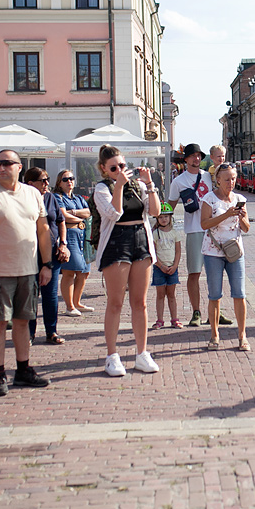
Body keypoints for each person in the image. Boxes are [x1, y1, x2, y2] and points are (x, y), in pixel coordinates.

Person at [0, 150, 52, 396]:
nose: (1, 168)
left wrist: (46, 264)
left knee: (23, 321)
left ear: (19, 167)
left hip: (28, 270)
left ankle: (23, 370)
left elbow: (43, 229)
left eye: (7, 163)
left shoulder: (33, 194)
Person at [94, 145, 161, 376]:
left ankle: (142, 353)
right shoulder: (102, 188)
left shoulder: (139, 185)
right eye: (113, 168)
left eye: (122, 166)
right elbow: (114, 213)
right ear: (104, 169)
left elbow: (155, 212)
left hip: (140, 239)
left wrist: (150, 184)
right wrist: (119, 186)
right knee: (115, 302)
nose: (119, 170)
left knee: (140, 302)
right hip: (117, 242)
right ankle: (112, 355)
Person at [168, 143, 232, 327]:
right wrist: (163, 224)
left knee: (216, 273)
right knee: (194, 272)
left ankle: (216, 313)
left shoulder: (209, 176)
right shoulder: (178, 181)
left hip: (213, 229)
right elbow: (170, 207)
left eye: (198, 156)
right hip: (194, 230)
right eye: (193, 156)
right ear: (186, 159)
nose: (196, 159)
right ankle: (196, 312)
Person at [199, 163, 251, 350]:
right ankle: (214, 335)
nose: (231, 182)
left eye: (233, 178)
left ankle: (242, 336)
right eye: (227, 179)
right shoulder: (209, 199)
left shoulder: (239, 198)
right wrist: (226, 215)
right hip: (213, 252)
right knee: (215, 295)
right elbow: (204, 224)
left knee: (240, 293)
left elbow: (246, 228)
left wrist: (242, 217)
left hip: (235, 251)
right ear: (218, 180)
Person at [24, 167, 69, 345]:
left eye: (47, 179)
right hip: (29, 253)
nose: (46, 183)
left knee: (50, 295)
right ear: (30, 184)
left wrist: (63, 243)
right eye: (42, 180)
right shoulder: (24, 199)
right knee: (30, 294)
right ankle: (29, 333)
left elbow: (60, 220)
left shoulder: (51, 198)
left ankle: (51, 331)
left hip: (51, 253)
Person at [53, 170, 93, 316]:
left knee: (84, 271)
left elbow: (88, 212)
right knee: (70, 271)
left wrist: (74, 213)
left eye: (71, 178)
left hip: (83, 235)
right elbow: (63, 216)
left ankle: (77, 302)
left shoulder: (78, 198)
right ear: (59, 182)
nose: (69, 181)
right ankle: (69, 306)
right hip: (69, 235)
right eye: (65, 179)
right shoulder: (58, 197)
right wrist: (79, 217)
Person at [150, 204, 183, 330]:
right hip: (160, 268)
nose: (164, 219)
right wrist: (160, 265)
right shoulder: (155, 234)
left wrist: (175, 266)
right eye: (161, 217)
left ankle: (175, 319)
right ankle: (160, 320)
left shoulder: (175, 233)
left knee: (171, 294)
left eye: (166, 217)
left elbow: (178, 251)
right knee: (160, 294)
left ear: (170, 217)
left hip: (172, 268)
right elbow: (152, 252)